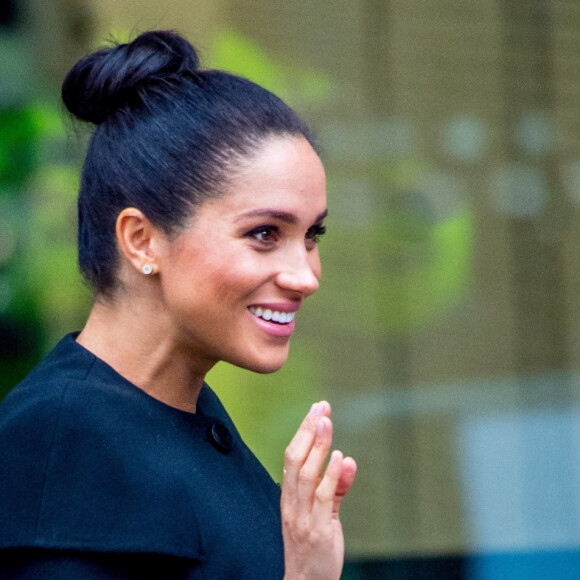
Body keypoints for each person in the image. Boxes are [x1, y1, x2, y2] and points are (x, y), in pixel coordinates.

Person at [0, 30, 357, 579]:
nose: (305, 275)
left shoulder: (182, 414)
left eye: (312, 235)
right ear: (141, 240)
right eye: (264, 233)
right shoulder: (63, 441)